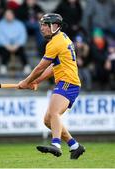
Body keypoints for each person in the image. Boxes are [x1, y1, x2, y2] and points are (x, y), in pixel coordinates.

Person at [18, 13, 85, 159]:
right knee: (48, 120)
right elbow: (53, 67)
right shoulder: (62, 37)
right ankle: (75, 146)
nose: (41, 28)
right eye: (41, 24)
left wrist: (26, 82)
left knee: (54, 113)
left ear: (54, 27)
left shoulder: (55, 43)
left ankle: (56, 145)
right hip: (67, 81)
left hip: (68, 82)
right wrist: (36, 81)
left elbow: (40, 68)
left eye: (45, 25)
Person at [0, 9, 31, 75]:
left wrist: (17, 45)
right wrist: (7, 45)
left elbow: (23, 35)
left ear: (13, 15)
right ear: (4, 16)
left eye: (10, 14)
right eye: (7, 15)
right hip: (4, 45)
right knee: (4, 51)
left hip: (17, 44)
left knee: (21, 50)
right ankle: (3, 66)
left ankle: (26, 66)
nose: (8, 16)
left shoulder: (19, 24)